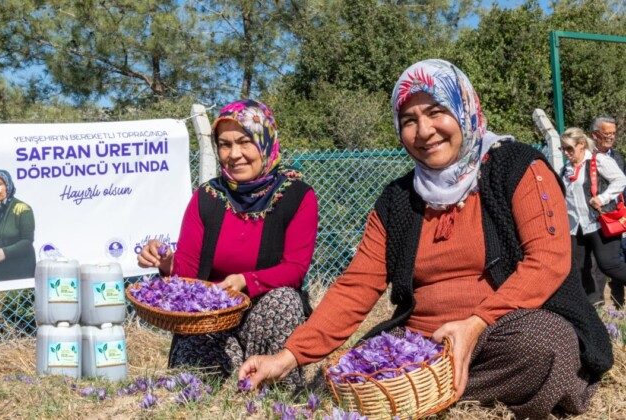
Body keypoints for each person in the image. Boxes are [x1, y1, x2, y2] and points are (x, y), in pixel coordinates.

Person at [238, 60, 613, 419]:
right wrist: (289, 356)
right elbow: (357, 285)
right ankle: (423, 386)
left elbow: (547, 260)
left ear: (464, 108)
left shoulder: (517, 167)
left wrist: (476, 324)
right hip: (424, 344)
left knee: (544, 347)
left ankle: (412, 392)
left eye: (437, 112)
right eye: (409, 120)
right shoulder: (397, 199)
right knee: (343, 371)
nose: (424, 131)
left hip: (503, 331)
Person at [137, 99, 319, 388]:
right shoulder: (207, 199)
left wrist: (244, 281)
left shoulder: (296, 196)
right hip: (212, 323)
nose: (234, 155)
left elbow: (295, 269)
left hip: (265, 317)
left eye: (244, 142)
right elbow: (188, 270)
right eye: (224, 145)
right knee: (193, 384)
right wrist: (166, 263)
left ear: (265, 142)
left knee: (283, 300)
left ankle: (280, 387)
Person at [560, 127, 626, 307]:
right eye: (563, 149)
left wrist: (603, 198)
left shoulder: (598, 161)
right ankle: (595, 307)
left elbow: (620, 180)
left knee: (609, 265)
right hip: (576, 227)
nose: (566, 153)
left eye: (569, 149)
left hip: (600, 222)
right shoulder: (565, 170)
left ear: (581, 145)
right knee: (580, 268)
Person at [0, 169, 36, 282]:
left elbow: (27, 242)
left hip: (17, 272)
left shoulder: (23, 209)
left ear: (8, 185)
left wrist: (4, 253)